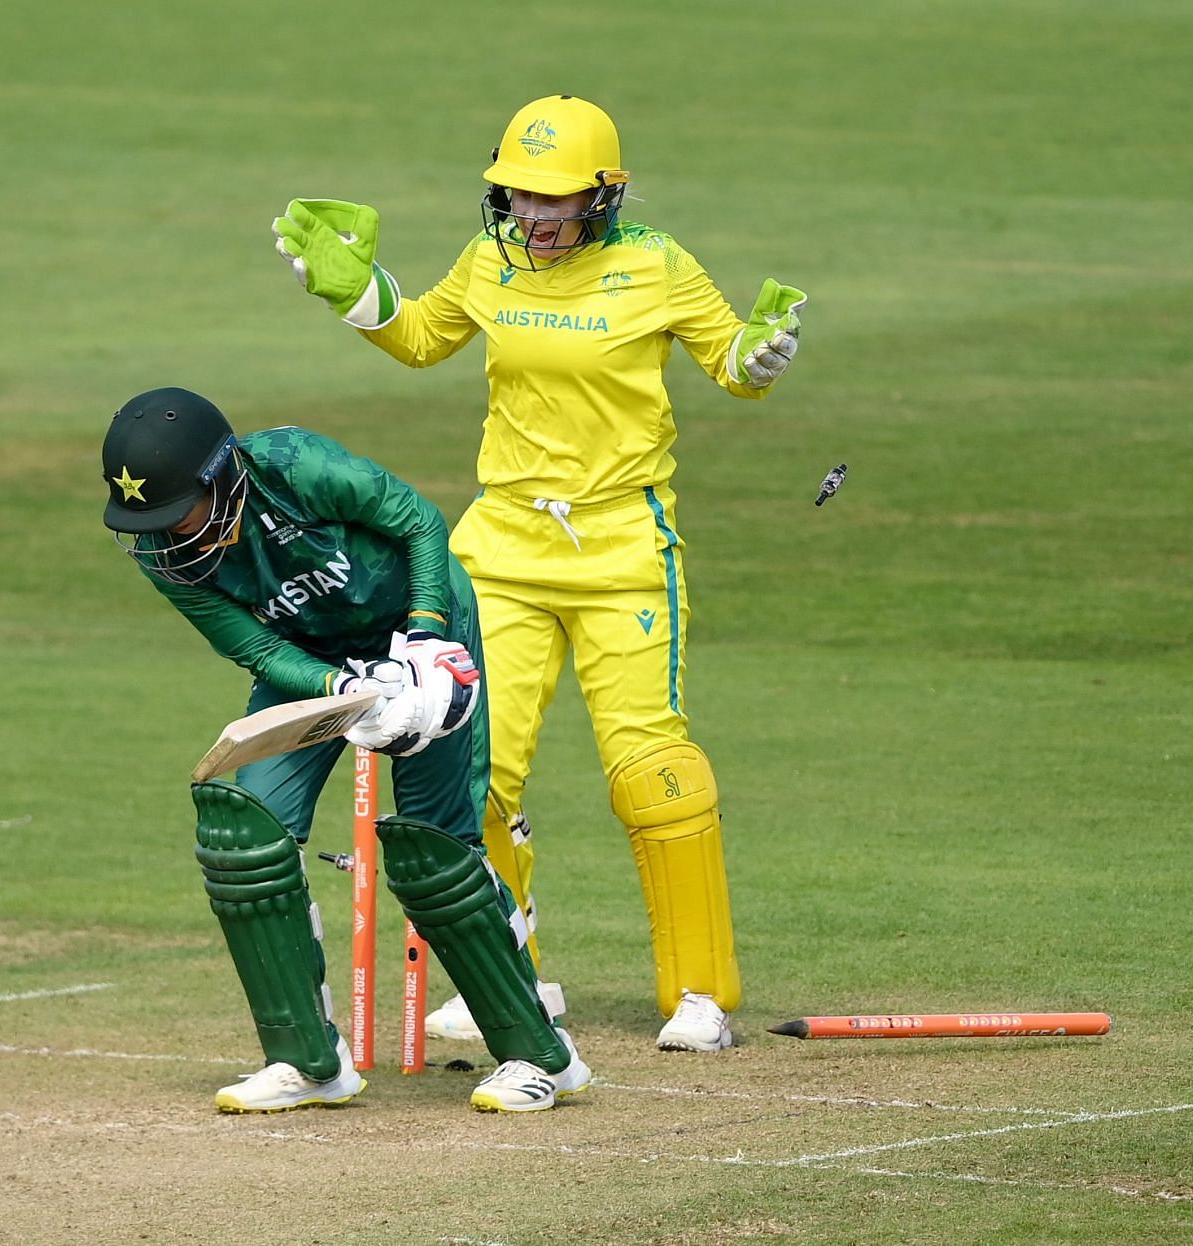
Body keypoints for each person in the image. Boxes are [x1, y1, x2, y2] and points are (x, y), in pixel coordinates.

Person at [269, 95, 809, 1054]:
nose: (533, 215)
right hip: (503, 550)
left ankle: (699, 994)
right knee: (467, 772)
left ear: (604, 195)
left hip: (621, 550)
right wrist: (356, 291)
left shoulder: (656, 262)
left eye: (554, 200)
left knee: (653, 773)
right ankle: (507, 982)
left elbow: (730, 358)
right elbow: (426, 334)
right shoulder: (493, 258)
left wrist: (760, 356)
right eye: (518, 195)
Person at [100, 385, 589, 1112]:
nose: (170, 535)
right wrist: (343, 682)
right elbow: (253, 644)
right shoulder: (159, 552)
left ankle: (538, 1056)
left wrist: (424, 640)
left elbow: (421, 523)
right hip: (314, 664)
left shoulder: (297, 467)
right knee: (243, 832)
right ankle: (310, 1063)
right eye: (154, 521)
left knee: (432, 854)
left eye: (180, 513)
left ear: (224, 475)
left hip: (421, 630)